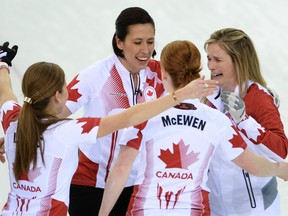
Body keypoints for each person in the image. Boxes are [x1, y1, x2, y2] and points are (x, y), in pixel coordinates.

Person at [0, 42, 218, 215]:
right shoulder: (68, 131)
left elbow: (5, 93)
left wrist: (3, 65)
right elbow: (128, 118)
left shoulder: (12, 122)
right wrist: (180, 95)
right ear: (58, 95)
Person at [98, 40, 288, 216]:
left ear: (163, 73)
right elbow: (252, 164)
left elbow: (121, 168)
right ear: (199, 74)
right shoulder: (217, 120)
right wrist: (279, 169)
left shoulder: (144, 114)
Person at [60, 7, 166, 216]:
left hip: (137, 187)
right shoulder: (96, 75)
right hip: (91, 185)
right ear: (119, 42)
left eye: (150, 41)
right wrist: (17, 134)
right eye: (137, 42)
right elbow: (54, 112)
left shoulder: (161, 73)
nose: (145, 50)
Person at [204, 28, 288, 215]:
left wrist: (244, 121)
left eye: (217, 60)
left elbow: (281, 151)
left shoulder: (258, 97)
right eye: (209, 58)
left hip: (255, 208)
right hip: (217, 206)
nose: (210, 66)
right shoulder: (209, 95)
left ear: (238, 61)